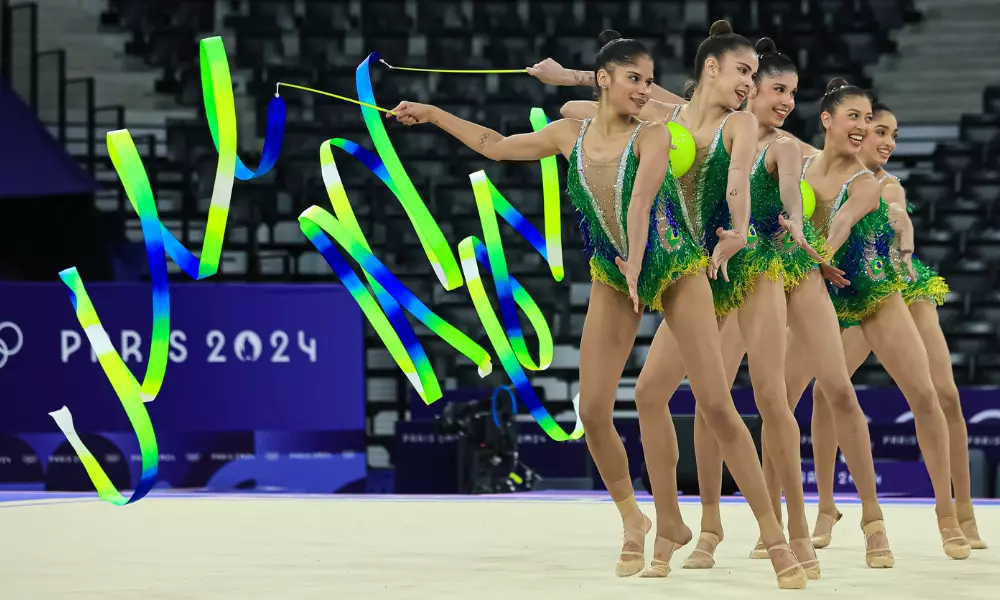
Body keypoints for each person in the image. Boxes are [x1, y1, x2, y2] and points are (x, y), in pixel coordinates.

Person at [390, 30, 808, 588]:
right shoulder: (569, 133)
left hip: (674, 266)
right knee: (592, 410)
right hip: (614, 277)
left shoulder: (658, 134)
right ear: (606, 78)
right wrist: (436, 114)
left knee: (715, 403)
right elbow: (494, 143)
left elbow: (640, 202)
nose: (642, 88)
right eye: (632, 78)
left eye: (646, 79)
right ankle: (638, 520)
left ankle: (776, 541)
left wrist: (642, 259)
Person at [551, 36, 885, 573]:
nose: (771, 95)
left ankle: (796, 535)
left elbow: (743, 186)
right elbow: (614, 101)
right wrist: (569, 76)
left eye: (780, 89)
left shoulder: (763, 136)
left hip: (749, 265)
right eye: (764, 84)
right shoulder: (669, 118)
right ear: (717, 72)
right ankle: (698, 525)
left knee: (766, 397)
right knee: (656, 393)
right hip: (697, 268)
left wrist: (784, 224)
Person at [778, 79, 971, 562]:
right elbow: (712, 117)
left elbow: (887, 216)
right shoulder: (801, 159)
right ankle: (820, 511)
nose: (874, 135)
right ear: (830, 121)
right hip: (825, 291)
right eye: (864, 123)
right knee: (815, 394)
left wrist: (904, 240)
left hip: (881, 287)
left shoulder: (880, 183)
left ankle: (951, 514)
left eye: (883, 129)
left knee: (931, 392)